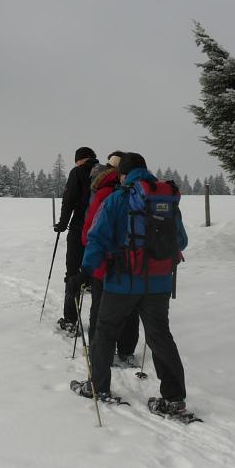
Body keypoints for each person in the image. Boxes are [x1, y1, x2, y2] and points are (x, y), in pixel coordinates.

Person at [70, 152, 190, 416]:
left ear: (123, 174)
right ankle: (174, 398)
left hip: (122, 281)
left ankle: (98, 387)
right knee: (160, 337)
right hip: (159, 283)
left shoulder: (116, 199)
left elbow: (97, 239)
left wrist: (85, 272)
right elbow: (181, 241)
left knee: (105, 332)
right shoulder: (166, 199)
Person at [81, 151, 140, 366]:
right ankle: (126, 350)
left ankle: (98, 354)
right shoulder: (143, 193)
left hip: (105, 261)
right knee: (131, 307)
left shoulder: (105, 192)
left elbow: (90, 230)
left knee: (100, 308)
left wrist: (88, 261)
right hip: (136, 262)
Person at [54, 147, 98, 334]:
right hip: (100, 232)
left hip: (80, 229)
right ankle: (97, 322)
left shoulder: (78, 172)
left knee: (72, 273)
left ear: (80, 159)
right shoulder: (105, 173)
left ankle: (71, 320)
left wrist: (62, 224)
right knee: (97, 276)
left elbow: (69, 200)